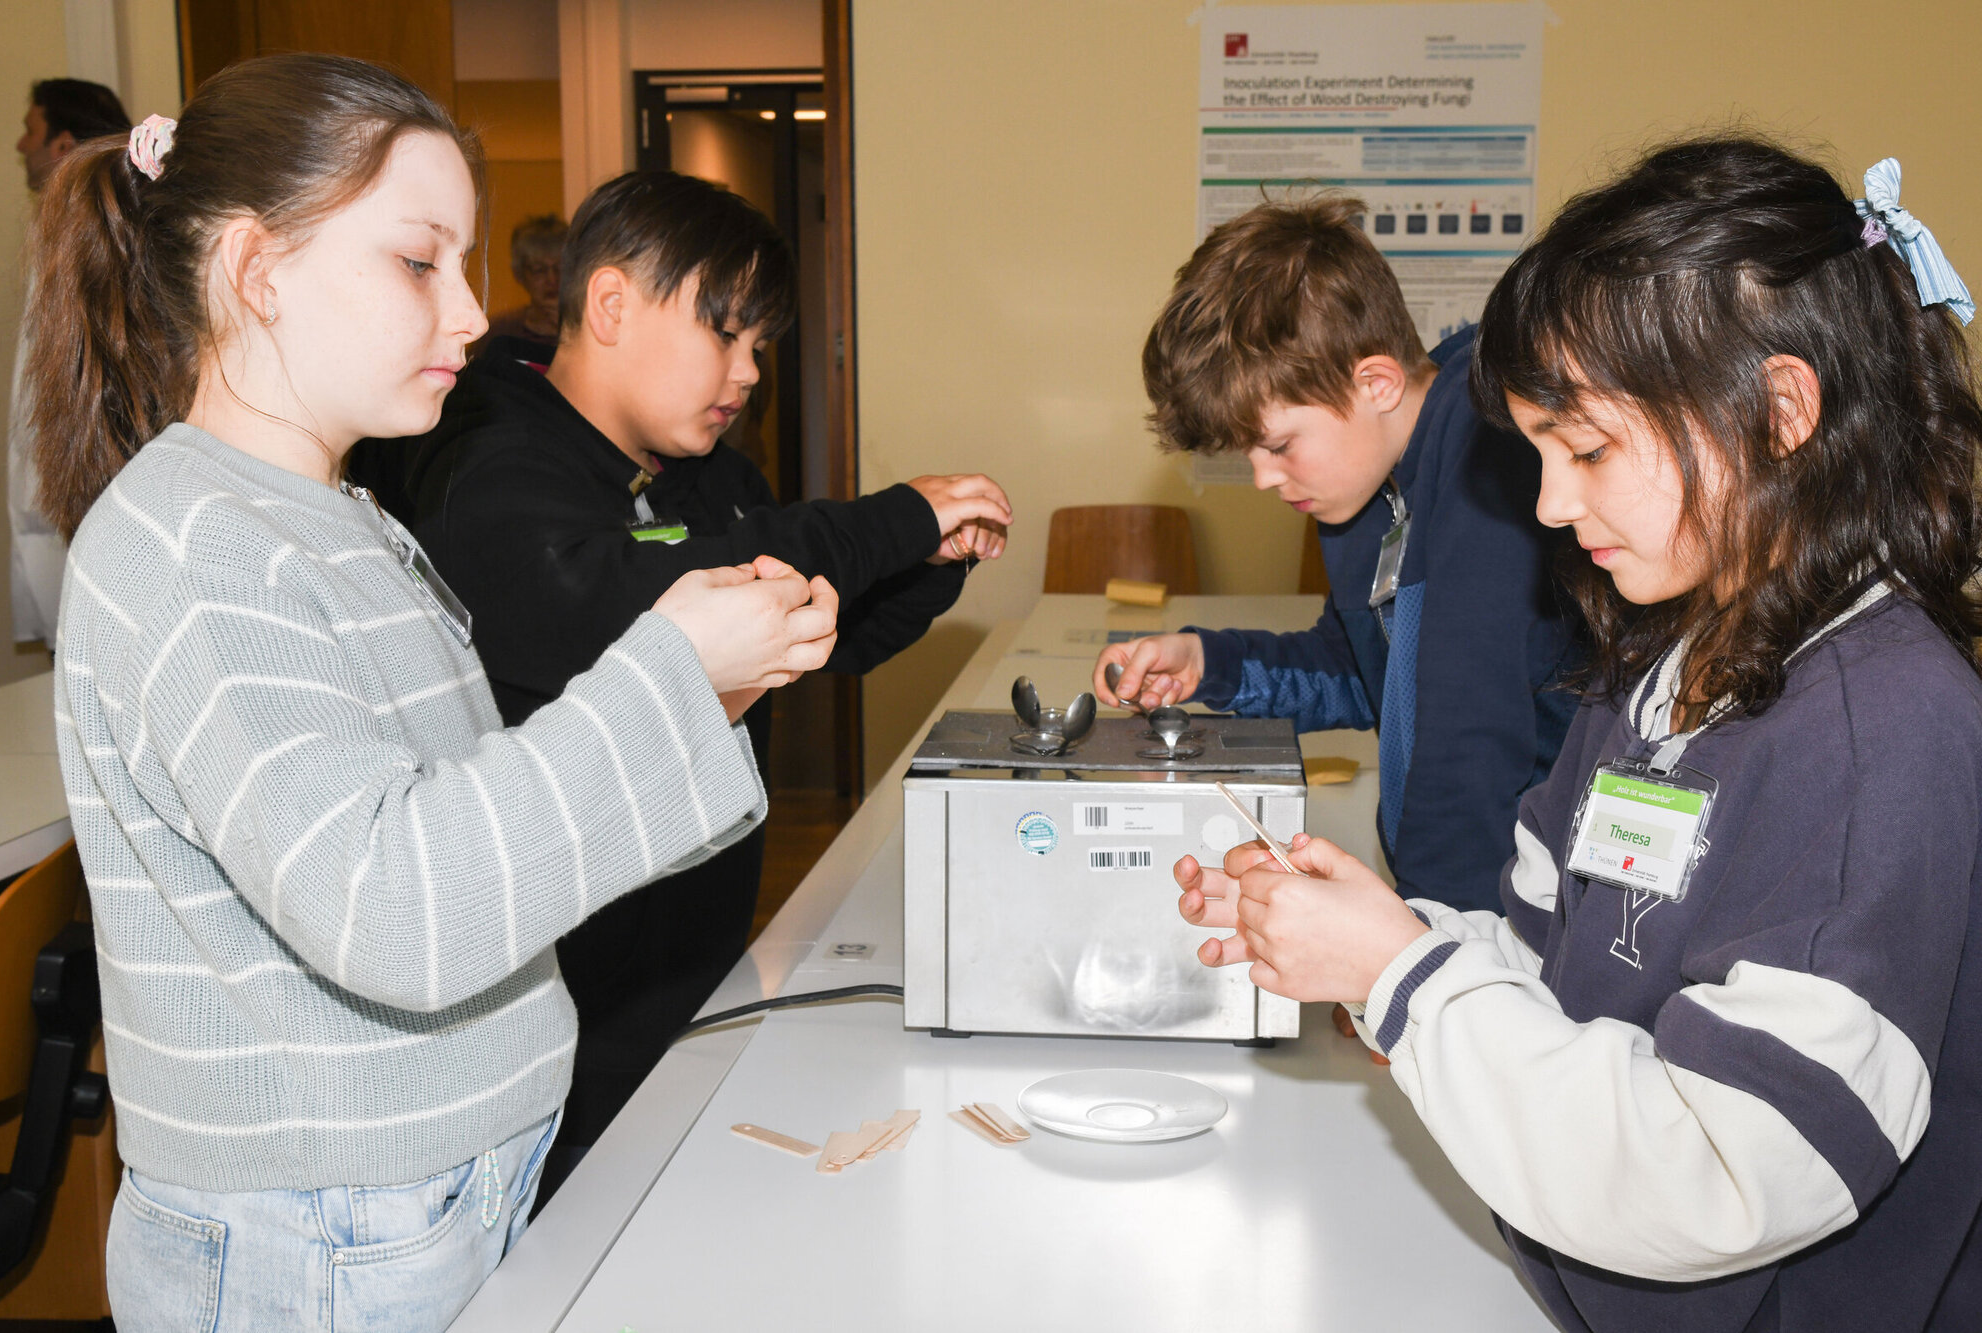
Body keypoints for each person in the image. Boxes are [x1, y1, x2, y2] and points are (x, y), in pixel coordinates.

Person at [27, 54, 837, 1331]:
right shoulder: (195, 543)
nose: (469, 316)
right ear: (258, 270)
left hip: (436, 1191)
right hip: (327, 1233)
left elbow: (465, 811)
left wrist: (707, 695)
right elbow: (392, 907)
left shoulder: (339, 518)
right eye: (418, 264)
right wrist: (668, 677)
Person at [1178, 139, 1982, 1331]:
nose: (1548, 505)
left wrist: (1400, 977)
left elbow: (1725, 1169)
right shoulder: (1656, 664)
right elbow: (1541, 961)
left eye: (1588, 449)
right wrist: (1377, 936)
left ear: (1777, 412)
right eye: (1541, 455)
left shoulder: (1886, 729)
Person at [352, 169, 1012, 1179]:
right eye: (725, 334)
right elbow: (616, 599)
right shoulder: (482, 457)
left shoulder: (707, 470)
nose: (746, 373)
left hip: (693, 954)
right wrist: (888, 520)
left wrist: (922, 569)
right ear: (611, 304)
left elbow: (812, 638)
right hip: (563, 993)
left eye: (760, 348)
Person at [1098, 196, 1580, 916]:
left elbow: (1467, 756)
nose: (1262, 477)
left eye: (1279, 445)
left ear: (1375, 383)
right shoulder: (1366, 485)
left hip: (1534, 909)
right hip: (1462, 914)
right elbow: (1365, 672)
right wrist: (1209, 662)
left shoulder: (1487, 463)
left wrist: (1410, 966)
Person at [9, 77, 131, 650]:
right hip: (57, 500)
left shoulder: (114, 239)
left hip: (103, 508)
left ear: (61, 145)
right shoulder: (55, 233)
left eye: (29, 129)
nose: (19, 145)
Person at [477, 212, 566, 358]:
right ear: (519, 274)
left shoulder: (588, 329)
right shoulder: (499, 332)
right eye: (539, 270)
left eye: (560, 268)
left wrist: (567, 333)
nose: (552, 279)